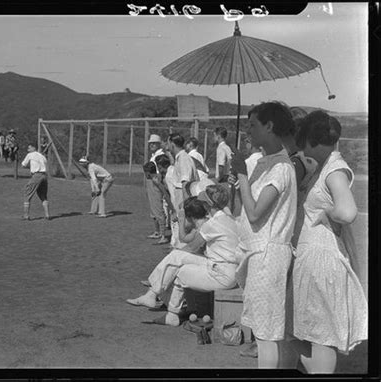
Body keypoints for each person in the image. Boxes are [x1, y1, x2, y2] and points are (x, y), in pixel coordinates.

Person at [287, 111, 367, 374]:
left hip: (323, 258)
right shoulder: (324, 167)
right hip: (314, 258)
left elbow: (347, 212)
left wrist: (326, 213)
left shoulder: (334, 170)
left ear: (311, 140)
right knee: (308, 332)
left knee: (322, 336)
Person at [231, 101, 297, 369]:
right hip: (257, 253)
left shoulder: (281, 167)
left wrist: (243, 177)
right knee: (266, 331)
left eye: (253, 125)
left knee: (267, 335)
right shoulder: (263, 164)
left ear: (269, 126)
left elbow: (256, 213)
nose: (248, 130)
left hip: (268, 254)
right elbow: (240, 210)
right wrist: (238, 179)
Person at [126, 184, 239, 326]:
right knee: (178, 260)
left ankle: (161, 303)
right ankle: (157, 300)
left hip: (221, 274)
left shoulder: (213, 224)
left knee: (179, 269)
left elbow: (192, 247)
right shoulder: (228, 219)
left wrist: (177, 256)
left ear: (207, 204)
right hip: (228, 269)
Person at [145, 134, 167, 241]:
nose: (152, 145)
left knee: (158, 208)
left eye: (154, 143)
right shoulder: (153, 155)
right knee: (153, 208)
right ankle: (157, 231)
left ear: (159, 144)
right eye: (150, 143)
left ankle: (163, 234)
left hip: (156, 181)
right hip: (151, 181)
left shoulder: (160, 154)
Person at [21, 143, 50, 220]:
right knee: (43, 196)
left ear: (34, 148)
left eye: (29, 148)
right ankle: (47, 215)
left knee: (27, 193)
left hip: (36, 175)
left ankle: (26, 216)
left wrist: (30, 167)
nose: (28, 150)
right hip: (44, 176)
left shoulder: (30, 155)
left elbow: (23, 165)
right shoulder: (43, 156)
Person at [143, 161, 170, 245]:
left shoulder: (157, 178)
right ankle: (157, 232)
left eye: (145, 173)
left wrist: (166, 196)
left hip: (158, 201)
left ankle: (163, 236)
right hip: (152, 201)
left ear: (148, 172)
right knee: (154, 216)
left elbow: (164, 188)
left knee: (160, 216)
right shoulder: (148, 179)